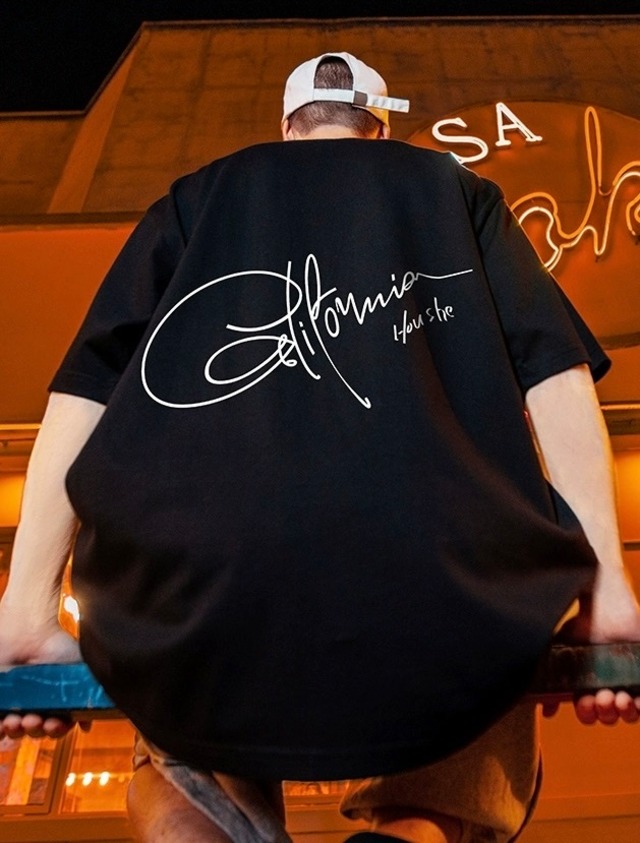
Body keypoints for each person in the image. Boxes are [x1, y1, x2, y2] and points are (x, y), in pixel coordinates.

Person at [1, 51, 640, 843]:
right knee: (487, 664)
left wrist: (27, 607)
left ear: (287, 125)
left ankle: (199, 811)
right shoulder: (456, 189)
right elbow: (556, 375)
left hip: (208, 580)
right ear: (380, 129)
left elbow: (83, 394)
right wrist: (606, 591)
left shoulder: (197, 197)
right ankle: (417, 827)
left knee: (180, 710)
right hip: (437, 577)